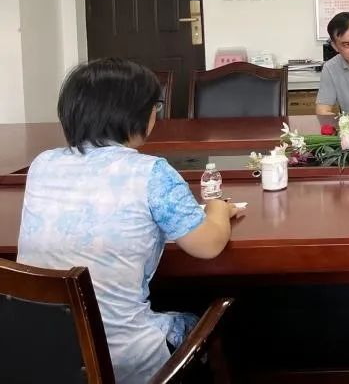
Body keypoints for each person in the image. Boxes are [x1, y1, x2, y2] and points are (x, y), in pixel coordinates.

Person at [17, 58, 241, 384]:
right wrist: (217, 209)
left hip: (40, 354)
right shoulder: (151, 172)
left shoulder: (42, 165)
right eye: (155, 107)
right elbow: (207, 246)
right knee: (208, 317)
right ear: (140, 114)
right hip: (120, 359)